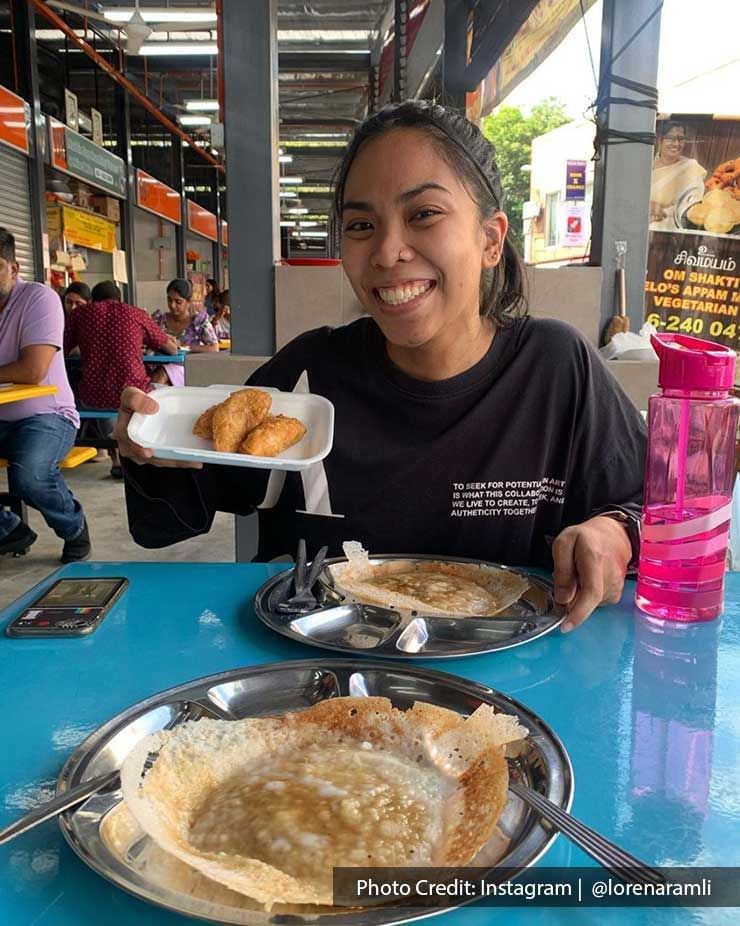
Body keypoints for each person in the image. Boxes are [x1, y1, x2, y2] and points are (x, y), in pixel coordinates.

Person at [115, 101, 647, 633]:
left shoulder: (555, 368)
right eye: (362, 224)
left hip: (509, 681)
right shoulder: (308, 372)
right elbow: (169, 521)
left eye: (424, 214)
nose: (388, 251)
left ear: (490, 239)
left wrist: (617, 531)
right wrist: (150, 442)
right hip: (322, 684)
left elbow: (664, 511)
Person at [0, 227, 90, 560]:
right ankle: (10, 530)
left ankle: (74, 526)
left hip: (47, 416)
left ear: (14, 267)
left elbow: (32, 370)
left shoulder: (40, 298)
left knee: (30, 476)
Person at [63, 281, 179, 478]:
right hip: (134, 393)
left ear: (92, 300)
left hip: (92, 397)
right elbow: (171, 349)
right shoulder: (135, 313)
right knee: (162, 383)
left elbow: (62, 348)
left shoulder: (80, 315)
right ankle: (145, 448)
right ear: (119, 299)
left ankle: (115, 456)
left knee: (92, 389)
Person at [149, 278, 218, 387]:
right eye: (169, 300)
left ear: (189, 301)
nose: (172, 305)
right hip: (156, 365)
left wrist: (183, 347)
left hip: (185, 369)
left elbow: (214, 347)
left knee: (159, 377)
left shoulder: (199, 321)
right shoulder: (158, 319)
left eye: (178, 302)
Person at [650, 121, 706, 230]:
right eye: (671, 138)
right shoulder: (646, 164)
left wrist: (662, 211)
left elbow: (691, 206)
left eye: (681, 139)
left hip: (671, 225)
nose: (676, 144)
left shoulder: (690, 167)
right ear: (660, 140)